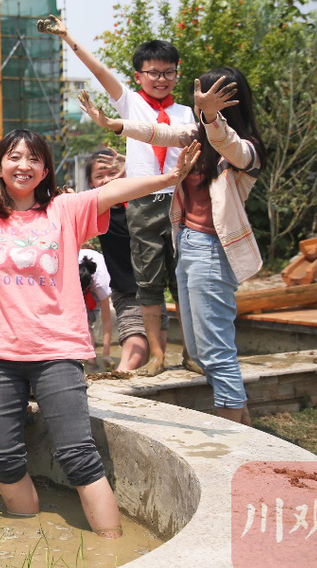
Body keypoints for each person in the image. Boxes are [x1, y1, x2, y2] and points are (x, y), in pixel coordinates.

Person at [0, 121, 197, 536]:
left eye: (33, 159)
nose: (24, 165)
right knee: (2, 457)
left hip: (58, 352)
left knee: (78, 456)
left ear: (46, 170)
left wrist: (170, 177)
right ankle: (27, 537)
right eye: (14, 157)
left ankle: (110, 545)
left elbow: (115, 191)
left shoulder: (65, 210)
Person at [79, 67, 264, 425]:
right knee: (200, 349)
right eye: (199, 96)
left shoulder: (246, 149)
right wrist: (113, 124)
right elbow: (157, 132)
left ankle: (235, 436)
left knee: (216, 351)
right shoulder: (197, 138)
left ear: (230, 102)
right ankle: (243, 425)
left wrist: (209, 115)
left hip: (214, 250)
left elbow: (226, 142)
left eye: (208, 97)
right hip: (188, 246)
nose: (199, 102)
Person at [40, 15, 193, 375]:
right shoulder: (131, 103)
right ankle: (157, 355)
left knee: (184, 280)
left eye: (168, 72)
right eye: (153, 72)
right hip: (143, 203)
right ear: (138, 76)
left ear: (177, 74)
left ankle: (192, 352)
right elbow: (99, 71)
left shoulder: (187, 113)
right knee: (148, 281)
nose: (161, 79)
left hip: (181, 201)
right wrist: (68, 37)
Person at [84, 148, 152, 371]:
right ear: (91, 183)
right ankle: (121, 373)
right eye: (99, 176)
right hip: (126, 290)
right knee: (135, 337)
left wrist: (131, 166)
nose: (107, 180)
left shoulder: (141, 204)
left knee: (150, 346)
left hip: (153, 285)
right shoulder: (96, 211)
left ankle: (124, 373)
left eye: (112, 173)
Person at [77, 249, 113, 367]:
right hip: (76, 274)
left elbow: (106, 320)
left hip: (94, 278)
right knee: (80, 319)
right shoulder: (69, 269)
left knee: (89, 318)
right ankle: (88, 357)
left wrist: (106, 353)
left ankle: (91, 359)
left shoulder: (101, 283)